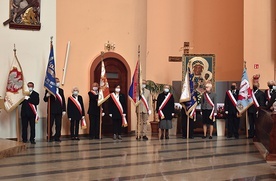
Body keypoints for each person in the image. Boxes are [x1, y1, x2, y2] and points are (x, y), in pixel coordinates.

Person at [43, 78, 66, 142]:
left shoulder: (61, 90)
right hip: (51, 110)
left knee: (58, 124)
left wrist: (64, 109)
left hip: (59, 110)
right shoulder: (49, 90)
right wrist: (47, 96)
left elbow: (63, 100)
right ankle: (50, 136)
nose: (58, 83)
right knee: (50, 124)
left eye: (58, 82)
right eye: (56, 82)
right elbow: (45, 100)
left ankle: (57, 137)